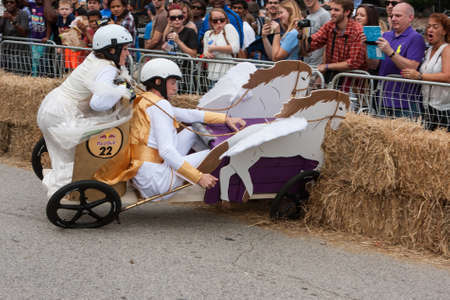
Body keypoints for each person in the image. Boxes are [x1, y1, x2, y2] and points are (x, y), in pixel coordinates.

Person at [94, 58, 246, 199]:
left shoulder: (145, 99)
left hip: (144, 175)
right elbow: (166, 151)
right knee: (216, 152)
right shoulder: (161, 105)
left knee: (191, 131)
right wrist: (198, 176)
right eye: (172, 83)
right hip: (157, 182)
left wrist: (225, 118)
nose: (176, 88)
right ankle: (223, 187)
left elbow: (188, 114)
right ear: (159, 82)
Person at [37, 24, 133, 198]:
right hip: (64, 113)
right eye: (125, 49)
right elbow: (98, 104)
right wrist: (123, 90)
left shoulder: (94, 58)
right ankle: (61, 192)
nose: (128, 53)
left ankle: (60, 184)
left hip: (53, 105)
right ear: (112, 50)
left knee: (61, 157)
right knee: (75, 161)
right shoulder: (107, 68)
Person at [375, 2, 425, 117]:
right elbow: (374, 65)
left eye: (398, 16)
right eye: (392, 16)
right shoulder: (386, 35)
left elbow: (411, 68)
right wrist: (368, 47)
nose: (393, 19)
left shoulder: (416, 38)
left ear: (410, 18)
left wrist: (390, 52)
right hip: (382, 98)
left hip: (404, 103)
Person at [401, 13, 450, 131]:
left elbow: (447, 76)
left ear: (444, 31)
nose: (430, 29)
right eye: (428, 26)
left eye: (435, 27)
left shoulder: (447, 49)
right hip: (428, 106)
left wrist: (419, 76)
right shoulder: (428, 51)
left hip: (444, 109)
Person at [298, 0, 366, 81]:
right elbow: (309, 47)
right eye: (331, 9)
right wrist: (302, 35)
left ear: (347, 12)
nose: (332, 13)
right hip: (333, 78)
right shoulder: (329, 26)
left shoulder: (357, 30)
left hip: (352, 82)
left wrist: (327, 66)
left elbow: (353, 63)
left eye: (336, 10)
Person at [203, 8, 240, 85]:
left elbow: (235, 48)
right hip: (213, 74)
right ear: (211, 22)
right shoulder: (208, 34)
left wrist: (214, 48)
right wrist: (206, 55)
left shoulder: (229, 28)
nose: (219, 22)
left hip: (228, 75)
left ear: (226, 20)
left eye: (222, 20)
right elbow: (205, 52)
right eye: (215, 20)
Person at [355, 3, 382, 73]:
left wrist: (368, 43)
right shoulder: (353, 32)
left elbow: (374, 65)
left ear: (370, 17)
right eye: (357, 15)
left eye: (362, 15)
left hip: (367, 76)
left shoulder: (376, 34)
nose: (358, 17)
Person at [303, 0, 330, 67]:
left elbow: (328, 42)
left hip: (318, 67)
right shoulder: (308, 17)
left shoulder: (325, 15)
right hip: (308, 64)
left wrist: (323, 66)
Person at [28, 0, 51, 76]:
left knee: (42, 58)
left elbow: (48, 24)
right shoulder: (32, 5)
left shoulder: (46, 8)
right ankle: (34, 75)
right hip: (34, 38)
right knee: (34, 58)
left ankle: (42, 75)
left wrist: (47, 36)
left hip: (42, 39)